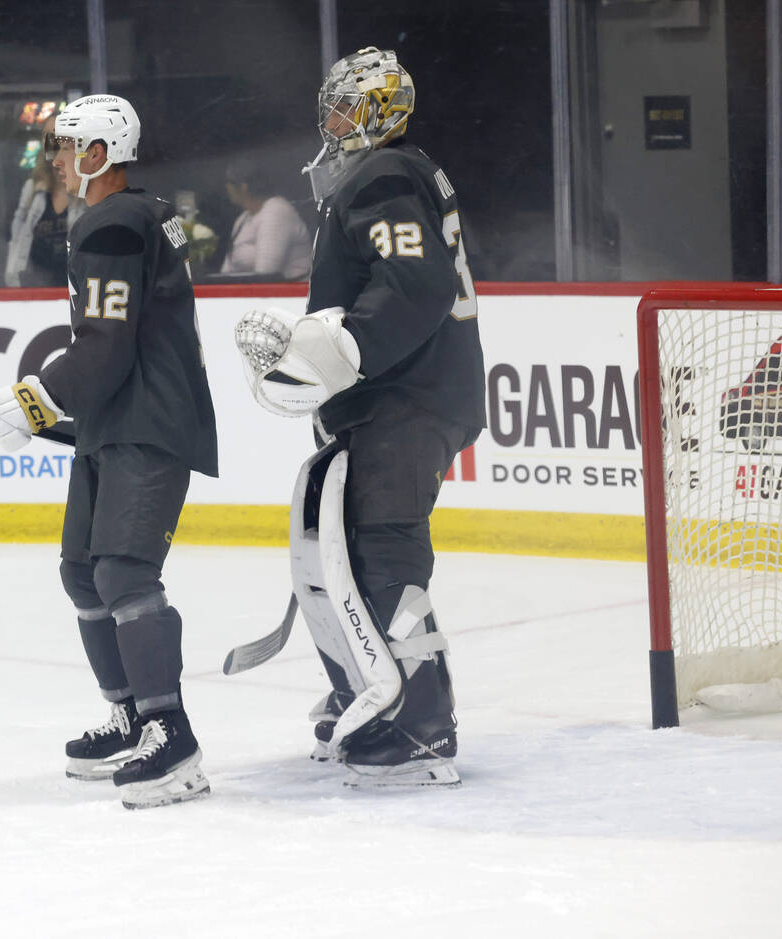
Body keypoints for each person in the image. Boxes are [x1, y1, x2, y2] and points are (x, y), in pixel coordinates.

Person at [234, 47, 486, 788]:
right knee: (346, 548)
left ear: (380, 111)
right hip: (400, 392)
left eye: (346, 107)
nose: (332, 121)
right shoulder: (390, 175)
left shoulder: (382, 173)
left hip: (408, 396)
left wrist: (343, 346)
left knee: (384, 546)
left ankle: (423, 720)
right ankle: (365, 690)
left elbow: (416, 283)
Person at [0, 94, 218, 809]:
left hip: (149, 421)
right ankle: (133, 714)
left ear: (101, 153)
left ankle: (173, 736)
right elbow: (113, 348)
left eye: (68, 146)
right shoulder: (133, 214)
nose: (58, 160)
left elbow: (105, 346)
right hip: (120, 418)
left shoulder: (112, 223)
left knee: (125, 573)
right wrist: (38, 406)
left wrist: (32, 401)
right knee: (83, 570)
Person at [4, 112, 84, 287]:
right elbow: (16, 240)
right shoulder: (30, 189)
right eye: (49, 136)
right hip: (35, 289)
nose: (54, 142)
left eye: (61, 136)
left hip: (78, 289)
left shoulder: (89, 189)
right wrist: (13, 284)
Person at [219, 157, 312, 281]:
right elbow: (226, 272)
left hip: (290, 296)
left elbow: (266, 274)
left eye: (228, 182)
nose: (226, 187)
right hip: (252, 295)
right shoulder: (242, 220)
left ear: (244, 187)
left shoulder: (277, 211)